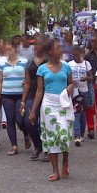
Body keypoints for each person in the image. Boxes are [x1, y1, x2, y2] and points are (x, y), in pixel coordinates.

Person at [30, 39, 74, 181]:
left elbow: (71, 84)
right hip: (48, 104)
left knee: (64, 135)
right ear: (50, 51)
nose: (60, 50)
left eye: (61, 48)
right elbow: (39, 90)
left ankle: (65, 162)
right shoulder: (42, 69)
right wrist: (32, 111)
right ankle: (55, 170)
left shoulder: (66, 67)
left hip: (63, 104)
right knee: (51, 137)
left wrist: (70, 88)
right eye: (57, 48)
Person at [19, 34, 49, 160]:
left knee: (46, 123)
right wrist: (23, 101)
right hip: (32, 93)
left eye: (38, 44)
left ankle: (48, 149)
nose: (35, 47)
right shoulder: (30, 62)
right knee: (28, 121)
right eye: (34, 44)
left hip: (47, 94)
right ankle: (38, 145)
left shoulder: (49, 61)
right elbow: (27, 82)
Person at [0, 42, 28, 155]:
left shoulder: (24, 62)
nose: (8, 51)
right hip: (7, 94)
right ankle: (14, 146)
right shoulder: (2, 63)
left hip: (20, 94)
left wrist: (26, 83)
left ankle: (26, 133)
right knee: (10, 119)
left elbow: (27, 77)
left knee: (20, 119)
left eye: (10, 49)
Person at [68, 43, 92, 147]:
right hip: (75, 91)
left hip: (84, 90)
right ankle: (76, 136)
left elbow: (92, 77)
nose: (75, 57)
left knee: (83, 112)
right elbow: (66, 77)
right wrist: (71, 82)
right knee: (76, 112)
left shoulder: (86, 64)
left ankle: (82, 132)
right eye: (73, 55)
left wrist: (86, 78)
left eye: (77, 55)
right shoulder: (69, 64)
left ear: (81, 54)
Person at [85, 34, 97, 139]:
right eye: (91, 41)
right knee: (90, 106)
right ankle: (91, 128)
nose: (93, 43)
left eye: (95, 41)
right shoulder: (88, 56)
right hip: (91, 84)